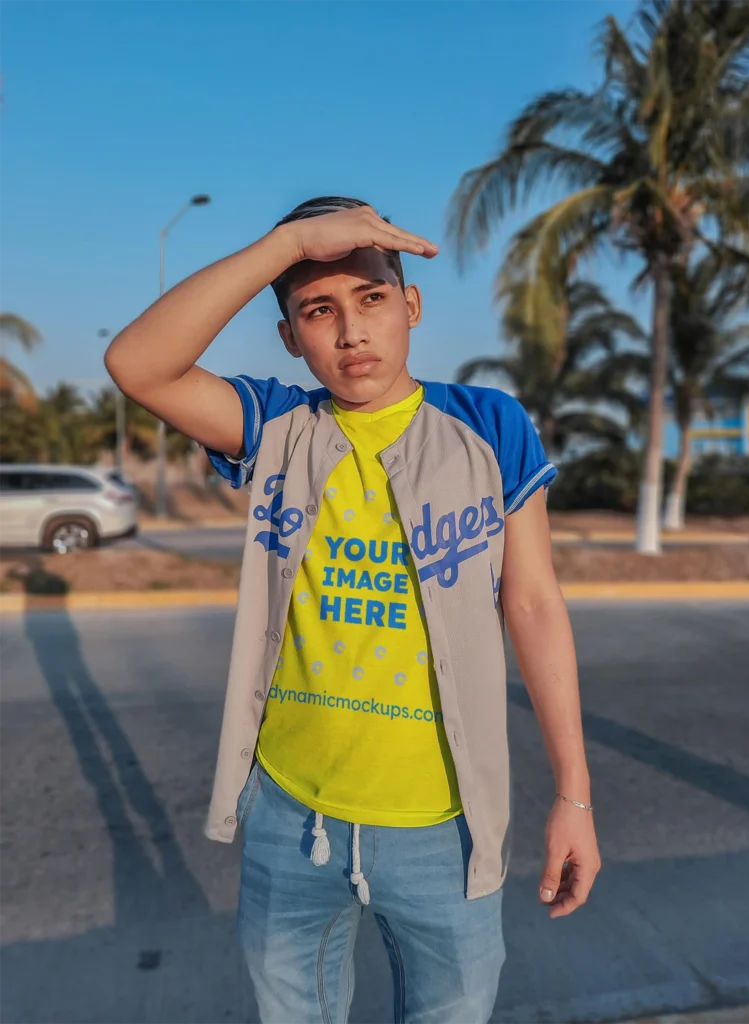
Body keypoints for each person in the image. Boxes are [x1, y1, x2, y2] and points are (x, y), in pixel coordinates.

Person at [105, 196, 600, 1024]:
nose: (350, 332)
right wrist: (289, 244)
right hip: (291, 821)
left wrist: (574, 796)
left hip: (446, 829)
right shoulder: (276, 427)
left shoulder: (489, 426)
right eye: (317, 310)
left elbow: (535, 604)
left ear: (410, 306)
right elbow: (138, 365)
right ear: (291, 336)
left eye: (371, 299)